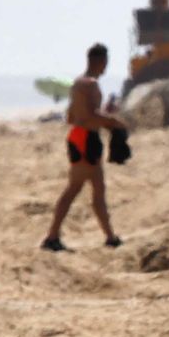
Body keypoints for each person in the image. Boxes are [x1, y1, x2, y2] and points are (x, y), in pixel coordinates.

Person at [42, 43, 126, 251]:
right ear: (100, 61)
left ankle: (110, 236)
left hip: (79, 137)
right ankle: (52, 237)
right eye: (105, 61)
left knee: (97, 188)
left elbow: (72, 116)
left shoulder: (78, 84)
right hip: (86, 139)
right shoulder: (90, 85)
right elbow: (90, 116)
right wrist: (113, 122)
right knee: (76, 189)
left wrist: (104, 118)